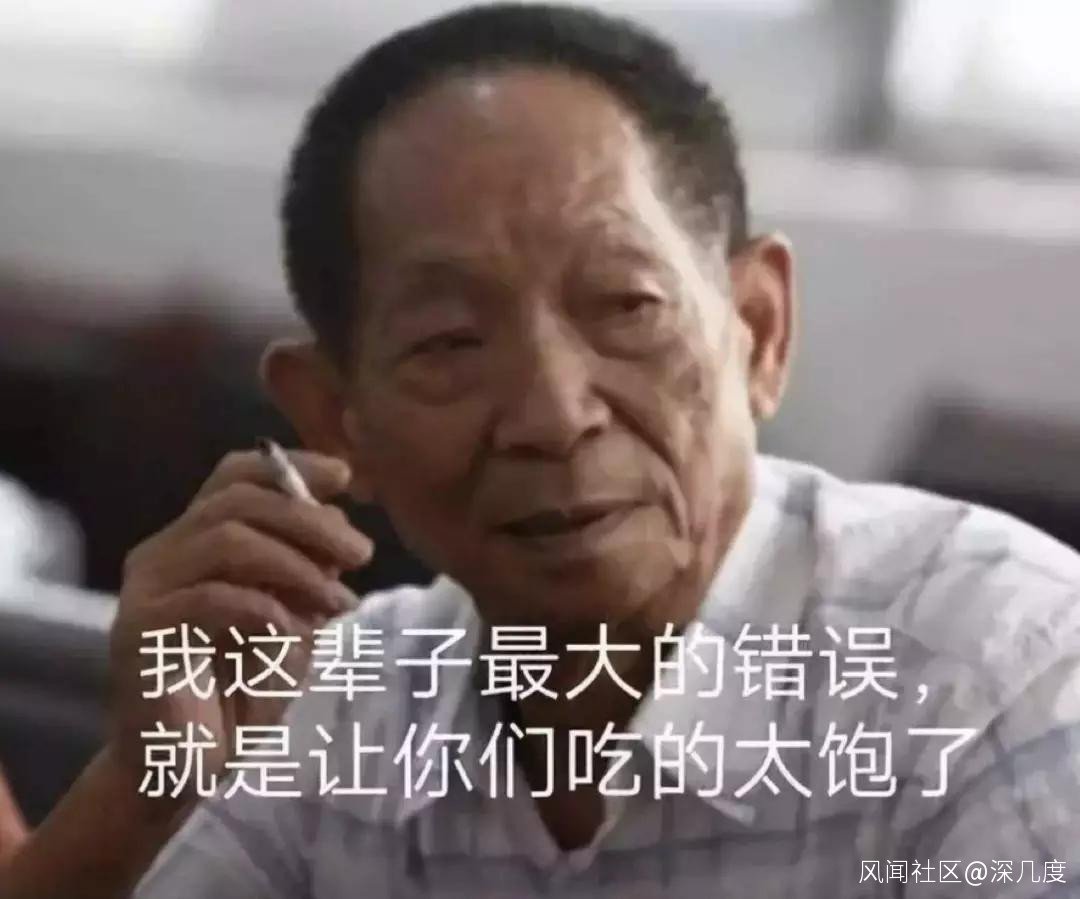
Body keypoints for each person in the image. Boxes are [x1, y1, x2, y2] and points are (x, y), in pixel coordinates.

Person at [3, 4, 1079, 897]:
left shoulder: (995, 670)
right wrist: (143, 786)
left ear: (759, 329)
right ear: (337, 420)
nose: (555, 414)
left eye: (626, 305)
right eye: (449, 342)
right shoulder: (339, 707)